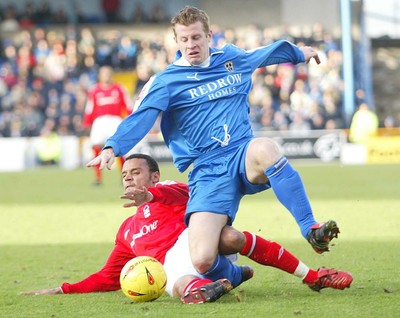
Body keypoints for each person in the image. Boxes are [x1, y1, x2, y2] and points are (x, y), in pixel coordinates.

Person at [87, 6, 342, 291]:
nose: (190, 45)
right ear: (176, 41)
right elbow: (141, 117)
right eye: (183, 40)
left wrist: (298, 52)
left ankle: (311, 229)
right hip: (207, 171)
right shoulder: (166, 82)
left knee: (266, 148)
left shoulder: (230, 58)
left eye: (196, 37)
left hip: (242, 153)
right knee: (203, 259)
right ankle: (233, 274)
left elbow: (263, 54)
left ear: (209, 35)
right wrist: (113, 147)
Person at [20, 154, 352, 304]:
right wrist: (65, 289)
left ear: (152, 176)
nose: (128, 177)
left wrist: (152, 193)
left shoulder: (170, 190)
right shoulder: (126, 230)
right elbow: (109, 275)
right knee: (175, 278)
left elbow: (179, 193)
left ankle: (313, 276)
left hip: (196, 242)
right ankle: (229, 278)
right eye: (125, 174)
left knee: (230, 237)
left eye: (136, 172)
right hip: (176, 266)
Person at [83, 65, 132, 185]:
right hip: (100, 122)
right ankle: (98, 179)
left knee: (119, 148)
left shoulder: (119, 88)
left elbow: (128, 105)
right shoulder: (94, 90)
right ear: (100, 76)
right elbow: (90, 107)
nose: (106, 76)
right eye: (103, 73)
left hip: (115, 120)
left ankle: (124, 177)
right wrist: (86, 122)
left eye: (108, 73)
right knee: (96, 147)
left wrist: (131, 118)